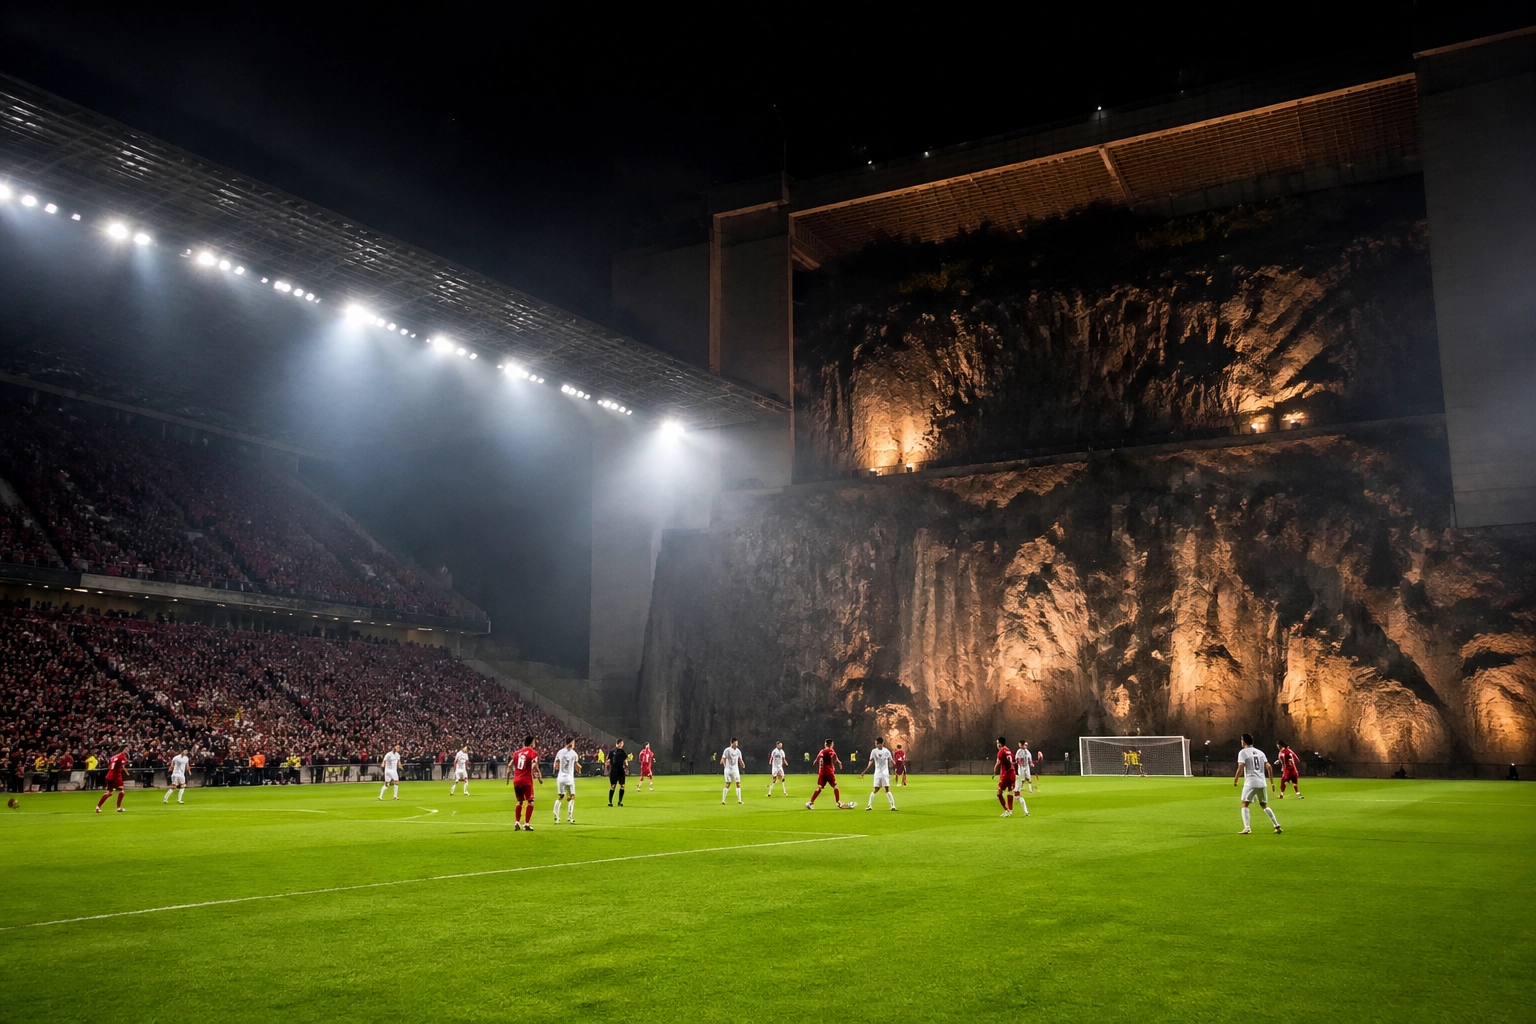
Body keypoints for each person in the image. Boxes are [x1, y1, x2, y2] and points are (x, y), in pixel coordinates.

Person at [1234, 734, 1282, 835]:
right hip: (1262, 782)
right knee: (1264, 805)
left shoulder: (1243, 752)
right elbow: (1269, 767)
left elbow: (1241, 766)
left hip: (1251, 782)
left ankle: (1247, 828)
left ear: (1244, 741)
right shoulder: (1261, 753)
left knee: (1244, 804)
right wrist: (1272, 782)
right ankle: (1277, 825)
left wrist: (1236, 779)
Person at [511, 736, 540, 831]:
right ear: (532, 743)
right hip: (526, 780)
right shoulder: (532, 752)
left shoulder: (516, 753)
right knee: (530, 801)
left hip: (516, 780)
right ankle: (527, 824)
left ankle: (517, 822)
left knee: (519, 801)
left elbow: (512, 764)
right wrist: (536, 773)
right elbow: (534, 763)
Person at [861, 737, 897, 811]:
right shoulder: (874, 751)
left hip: (885, 773)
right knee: (876, 789)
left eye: (877, 743)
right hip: (877, 773)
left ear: (881, 743)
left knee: (887, 788)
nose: (876, 745)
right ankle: (869, 805)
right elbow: (871, 761)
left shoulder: (886, 751)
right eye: (875, 743)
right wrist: (865, 770)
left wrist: (894, 769)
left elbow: (892, 761)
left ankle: (893, 806)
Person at [806, 740, 843, 809]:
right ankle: (838, 802)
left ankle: (811, 802)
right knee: (835, 787)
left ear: (825, 744)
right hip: (829, 773)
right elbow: (834, 758)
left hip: (821, 773)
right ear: (831, 744)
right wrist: (838, 762)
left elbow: (816, 761)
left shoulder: (821, 751)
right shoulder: (831, 751)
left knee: (819, 788)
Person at [994, 737, 1024, 817]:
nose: (997, 744)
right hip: (1012, 774)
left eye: (997, 743)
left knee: (999, 793)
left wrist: (994, 770)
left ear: (1000, 743)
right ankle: (1010, 810)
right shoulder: (1008, 750)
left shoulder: (1001, 752)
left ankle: (1006, 810)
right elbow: (1012, 760)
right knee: (1010, 791)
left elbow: (998, 762)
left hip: (1005, 775)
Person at [553, 739, 580, 824]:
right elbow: (576, 765)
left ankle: (556, 816)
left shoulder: (560, 752)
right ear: (570, 743)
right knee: (572, 796)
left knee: (560, 796)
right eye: (573, 742)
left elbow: (556, 765)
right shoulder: (574, 754)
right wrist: (579, 768)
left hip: (560, 778)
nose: (574, 744)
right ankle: (570, 817)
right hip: (569, 778)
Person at [95, 749, 129, 814]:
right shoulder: (122, 757)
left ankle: (98, 807)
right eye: (125, 749)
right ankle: (118, 808)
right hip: (116, 776)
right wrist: (124, 770)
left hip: (109, 775)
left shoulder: (113, 757)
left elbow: (110, 766)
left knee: (109, 792)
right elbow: (121, 766)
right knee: (121, 790)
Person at [721, 739, 745, 804]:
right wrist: (724, 764)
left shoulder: (738, 751)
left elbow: (740, 759)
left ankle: (739, 800)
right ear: (732, 743)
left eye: (737, 743)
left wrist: (742, 764)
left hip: (735, 769)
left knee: (738, 783)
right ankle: (723, 800)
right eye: (735, 743)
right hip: (728, 769)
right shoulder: (727, 750)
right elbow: (723, 758)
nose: (737, 744)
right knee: (728, 784)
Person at [608, 738, 630, 807]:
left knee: (612, 786)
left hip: (613, 771)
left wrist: (607, 769)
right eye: (622, 743)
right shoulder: (622, 752)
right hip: (620, 771)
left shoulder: (612, 751)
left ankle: (610, 802)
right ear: (620, 743)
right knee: (622, 786)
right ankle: (620, 801)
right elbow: (626, 763)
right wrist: (626, 767)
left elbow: (608, 761)